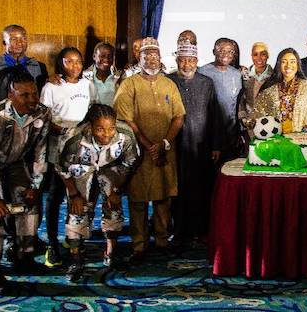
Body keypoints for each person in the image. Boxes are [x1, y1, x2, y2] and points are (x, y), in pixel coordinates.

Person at [0, 71, 51, 294]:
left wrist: (35, 186)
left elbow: (40, 152)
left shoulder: (43, 113)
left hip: (14, 161)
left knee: (28, 204)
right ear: (11, 94)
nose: (31, 100)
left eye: (34, 93)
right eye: (24, 95)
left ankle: (23, 256)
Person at [114, 37, 185, 263]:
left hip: (165, 151)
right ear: (139, 57)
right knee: (138, 200)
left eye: (155, 55)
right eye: (147, 55)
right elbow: (126, 120)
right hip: (138, 152)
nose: (152, 59)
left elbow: (179, 116)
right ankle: (139, 246)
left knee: (164, 198)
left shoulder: (169, 84)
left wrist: (163, 144)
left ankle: (163, 241)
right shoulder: (129, 84)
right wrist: (148, 145)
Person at [58, 104, 139, 281]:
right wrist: (74, 195)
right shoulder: (74, 138)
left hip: (112, 169)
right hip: (81, 169)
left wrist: (116, 191)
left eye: (111, 128)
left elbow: (130, 163)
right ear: (90, 126)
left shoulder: (125, 136)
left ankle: (111, 253)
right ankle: (76, 259)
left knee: (114, 209)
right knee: (77, 213)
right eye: (100, 129)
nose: (107, 134)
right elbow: (61, 167)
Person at [40, 47, 95, 268]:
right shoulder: (51, 86)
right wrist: (58, 129)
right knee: (55, 196)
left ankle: (73, 238)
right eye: (69, 61)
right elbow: (42, 116)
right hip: (57, 147)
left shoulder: (87, 85)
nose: (74, 66)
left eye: (78, 61)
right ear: (61, 63)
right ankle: (51, 244)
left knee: (78, 195)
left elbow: (92, 111)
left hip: (80, 149)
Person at [167, 41, 221, 249]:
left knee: (201, 188)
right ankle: (178, 230)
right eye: (183, 60)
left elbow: (215, 115)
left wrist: (216, 145)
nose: (187, 64)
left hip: (201, 145)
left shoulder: (206, 83)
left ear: (197, 62)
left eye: (191, 60)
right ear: (177, 61)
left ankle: (200, 231)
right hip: (176, 145)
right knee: (177, 189)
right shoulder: (168, 81)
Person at [0, 24, 48, 121]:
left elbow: (41, 98)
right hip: (1, 123)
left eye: (23, 38)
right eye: (14, 39)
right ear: (4, 42)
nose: (20, 43)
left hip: (31, 122)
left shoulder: (39, 67)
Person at [254, 48, 307, 134]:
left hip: (301, 140)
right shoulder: (269, 90)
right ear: (279, 65)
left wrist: (303, 134)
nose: (288, 65)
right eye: (284, 62)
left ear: (298, 64)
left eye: (292, 61)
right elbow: (258, 116)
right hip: (275, 141)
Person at [198, 38, 243, 162]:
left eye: (230, 52)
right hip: (210, 133)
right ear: (214, 51)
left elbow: (238, 104)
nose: (226, 55)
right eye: (222, 51)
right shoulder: (202, 72)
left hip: (231, 132)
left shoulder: (236, 74)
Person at [239, 42, 273, 143]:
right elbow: (241, 100)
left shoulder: (275, 76)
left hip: (269, 124)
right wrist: (244, 119)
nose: (259, 58)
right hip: (250, 124)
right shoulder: (244, 75)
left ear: (267, 56)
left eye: (263, 54)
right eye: (255, 54)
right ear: (251, 56)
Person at [83, 42, 119, 106]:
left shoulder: (119, 77)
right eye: (102, 56)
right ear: (94, 56)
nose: (106, 59)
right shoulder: (84, 77)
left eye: (110, 56)